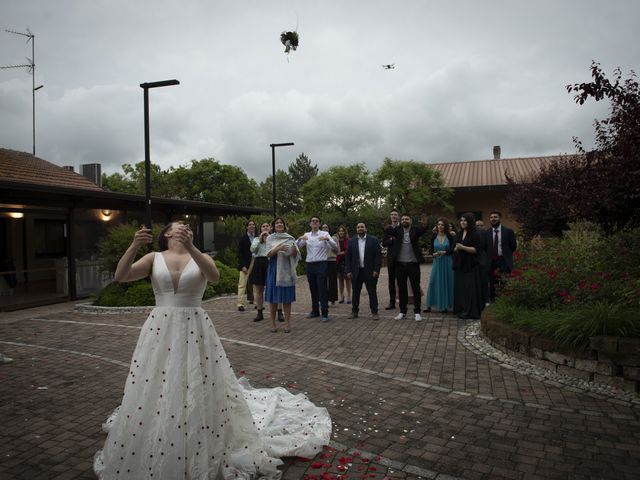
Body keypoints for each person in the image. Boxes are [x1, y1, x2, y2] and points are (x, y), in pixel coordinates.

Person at [94, 222, 330, 479]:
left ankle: (199, 425)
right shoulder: (154, 257)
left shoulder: (201, 256)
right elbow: (121, 275)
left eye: (188, 227)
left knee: (197, 378)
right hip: (160, 329)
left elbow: (214, 276)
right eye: (178, 226)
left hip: (195, 326)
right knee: (160, 379)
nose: (184, 228)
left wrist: (192, 247)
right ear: (167, 234)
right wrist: (135, 245)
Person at [383, 213, 430, 321]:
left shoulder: (415, 230)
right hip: (400, 264)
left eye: (407, 219)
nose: (404, 220)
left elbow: (423, 229)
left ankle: (417, 312)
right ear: (401, 220)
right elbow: (388, 230)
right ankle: (402, 311)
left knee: (415, 287)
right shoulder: (397, 230)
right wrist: (384, 227)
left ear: (411, 221)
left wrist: (425, 224)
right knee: (402, 289)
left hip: (413, 263)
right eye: (403, 219)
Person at [296, 216, 337, 322]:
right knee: (313, 288)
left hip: (321, 264)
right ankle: (315, 311)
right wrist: (300, 239)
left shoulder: (324, 234)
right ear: (310, 224)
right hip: (310, 265)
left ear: (319, 224)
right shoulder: (307, 235)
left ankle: (325, 312)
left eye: (316, 221)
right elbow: (297, 247)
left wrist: (327, 239)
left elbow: (334, 246)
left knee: (322, 288)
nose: (314, 222)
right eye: (313, 221)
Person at [265, 217, 299, 333]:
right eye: (277, 223)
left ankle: (287, 324)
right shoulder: (270, 238)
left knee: (287, 298)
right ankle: (273, 324)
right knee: (273, 298)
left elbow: (295, 255)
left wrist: (294, 251)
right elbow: (268, 254)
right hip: (274, 269)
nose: (279, 224)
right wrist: (278, 248)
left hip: (287, 270)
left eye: (281, 223)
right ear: (274, 226)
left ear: (284, 225)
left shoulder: (290, 238)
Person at [345, 222, 382, 320]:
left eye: (362, 227)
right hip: (356, 271)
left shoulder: (373, 240)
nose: (360, 228)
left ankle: (374, 312)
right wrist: (348, 270)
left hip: (370, 271)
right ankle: (354, 311)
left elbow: (378, 256)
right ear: (356, 229)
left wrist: (376, 270)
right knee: (355, 292)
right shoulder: (351, 241)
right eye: (358, 227)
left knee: (372, 292)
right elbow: (348, 258)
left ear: (366, 229)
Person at [453, 212, 485, 319]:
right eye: (461, 220)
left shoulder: (476, 233)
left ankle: (471, 311)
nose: (462, 222)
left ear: (470, 221)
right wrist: (456, 248)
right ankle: (462, 309)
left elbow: (477, 249)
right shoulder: (459, 233)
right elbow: (456, 246)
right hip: (461, 264)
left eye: (465, 220)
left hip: (471, 265)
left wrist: (463, 247)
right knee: (462, 289)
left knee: (470, 289)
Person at [484, 210, 518, 303]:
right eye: (491, 217)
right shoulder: (486, 233)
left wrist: (506, 254)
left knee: (504, 280)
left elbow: (513, 246)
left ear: (500, 219)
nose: (493, 219)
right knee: (492, 281)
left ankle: (504, 300)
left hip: (504, 260)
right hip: (491, 261)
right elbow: (484, 247)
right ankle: (493, 300)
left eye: (495, 217)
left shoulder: (508, 231)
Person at [425, 218, 455, 313]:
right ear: (436, 226)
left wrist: (444, 252)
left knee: (447, 282)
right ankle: (429, 305)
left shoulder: (450, 236)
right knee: (433, 281)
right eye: (438, 224)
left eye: (442, 225)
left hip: (447, 261)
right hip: (437, 262)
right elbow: (430, 250)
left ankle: (445, 306)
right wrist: (433, 254)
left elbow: (453, 249)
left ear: (445, 226)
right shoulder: (433, 236)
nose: (440, 226)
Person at [249, 222, 271, 322]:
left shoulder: (273, 238)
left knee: (273, 288)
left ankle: (279, 312)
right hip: (259, 263)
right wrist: (260, 239)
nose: (265, 228)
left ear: (270, 228)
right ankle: (259, 312)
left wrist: (268, 239)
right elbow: (252, 249)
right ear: (261, 229)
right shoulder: (256, 239)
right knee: (259, 290)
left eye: (267, 226)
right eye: (263, 226)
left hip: (269, 262)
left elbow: (274, 248)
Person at [382, 209, 400, 309]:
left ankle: (403, 301)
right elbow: (384, 242)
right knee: (391, 281)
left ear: (398, 216)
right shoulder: (387, 228)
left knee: (402, 281)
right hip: (391, 258)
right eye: (392, 214)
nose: (393, 216)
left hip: (401, 257)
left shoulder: (402, 227)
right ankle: (392, 302)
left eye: (395, 214)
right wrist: (392, 240)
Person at [236, 219, 255, 311]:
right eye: (250, 225)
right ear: (246, 227)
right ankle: (240, 304)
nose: (252, 226)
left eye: (253, 225)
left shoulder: (257, 238)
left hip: (255, 263)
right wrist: (243, 265)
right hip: (245, 265)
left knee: (256, 284)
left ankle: (256, 302)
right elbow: (239, 253)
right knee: (242, 284)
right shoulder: (243, 238)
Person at [321, 223, 339, 306]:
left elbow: (337, 251)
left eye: (326, 227)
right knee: (323, 281)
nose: (325, 228)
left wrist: (330, 243)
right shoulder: (319, 238)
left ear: (329, 229)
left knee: (332, 281)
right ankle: (323, 299)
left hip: (331, 260)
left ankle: (332, 300)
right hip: (322, 261)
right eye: (323, 227)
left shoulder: (334, 238)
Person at [475, 219, 491, 306]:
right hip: (473, 260)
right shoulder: (472, 234)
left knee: (484, 281)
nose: (479, 227)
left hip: (484, 260)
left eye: (481, 225)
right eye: (477, 226)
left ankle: (486, 299)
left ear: (484, 226)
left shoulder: (487, 234)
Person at [335, 225, 352, 304]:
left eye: (342, 231)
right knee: (340, 280)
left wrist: (342, 253)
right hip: (338, 262)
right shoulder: (336, 241)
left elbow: (349, 251)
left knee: (348, 280)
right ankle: (341, 296)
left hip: (346, 262)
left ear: (345, 232)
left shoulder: (348, 240)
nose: (341, 232)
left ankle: (349, 296)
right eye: (340, 231)